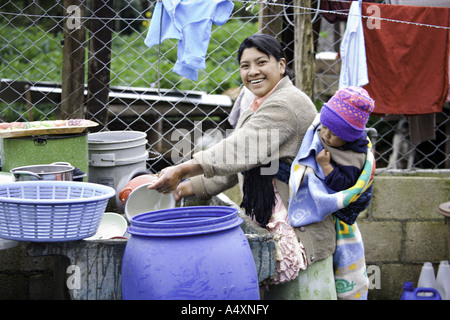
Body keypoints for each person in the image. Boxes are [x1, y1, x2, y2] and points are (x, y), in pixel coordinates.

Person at [148, 33, 338, 299]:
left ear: (281, 66)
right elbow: (239, 165)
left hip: (298, 230)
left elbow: (237, 150)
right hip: (272, 219)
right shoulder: (255, 104)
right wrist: (184, 189)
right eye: (245, 66)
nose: (253, 72)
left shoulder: (287, 104)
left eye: (261, 62)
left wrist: (181, 170)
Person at [288, 86, 376, 299]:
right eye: (325, 127)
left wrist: (326, 166)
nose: (325, 135)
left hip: (342, 212)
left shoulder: (353, 157)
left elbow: (343, 185)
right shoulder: (324, 130)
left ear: (349, 136)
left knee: (344, 260)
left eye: (334, 133)